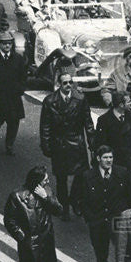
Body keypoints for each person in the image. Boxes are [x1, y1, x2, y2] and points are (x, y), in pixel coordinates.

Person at [72, 146, 131, 262]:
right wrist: (89, 217)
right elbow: (79, 198)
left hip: (118, 221)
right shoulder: (87, 176)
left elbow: (129, 197)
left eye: (111, 158)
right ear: (98, 158)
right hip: (98, 222)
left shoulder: (122, 173)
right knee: (101, 255)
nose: (109, 161)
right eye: (105, 158)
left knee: (124, 253)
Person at [40, 71, 94, 221]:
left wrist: (92, 143)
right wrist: (46, 145)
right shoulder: (50, 101)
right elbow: (45, 126)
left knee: (81, 175)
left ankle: (75, 200)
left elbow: (88, 123)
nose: (69, 85)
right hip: (60, 144)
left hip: (77, 143)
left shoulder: (80, 99)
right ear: (59, 84)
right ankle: (64, 207)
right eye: (65, 83)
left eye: (71, 82)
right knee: (61, 179)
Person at [95, 87, 131, 179]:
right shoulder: (104, 120)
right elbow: (100, 144)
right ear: (121, 105)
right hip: (116, 164)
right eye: (129, 102)